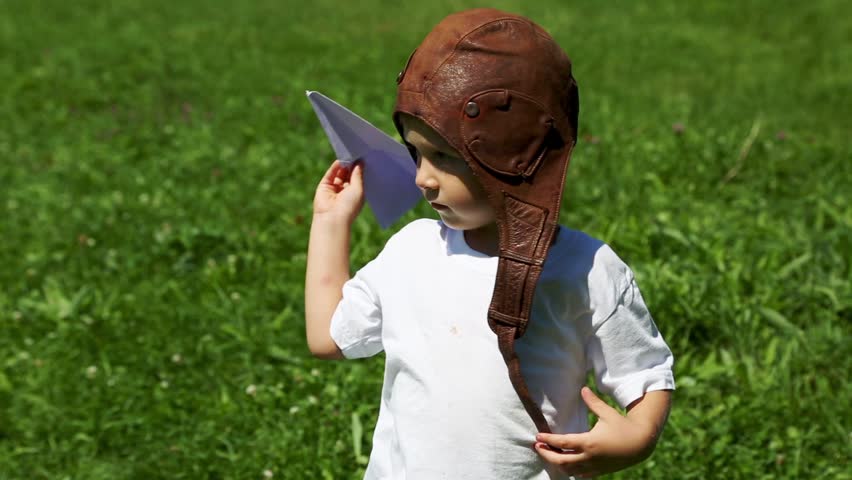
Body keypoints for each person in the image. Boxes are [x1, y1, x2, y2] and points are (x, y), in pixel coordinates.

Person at [304, 8, 675, 479]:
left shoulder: (585, 268)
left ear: (514, 155)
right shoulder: (411, 251)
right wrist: (331, 221)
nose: (423, 178)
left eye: (443, 157)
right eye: (416, 152)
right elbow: (329, 335)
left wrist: (636, 438)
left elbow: (645, 373)